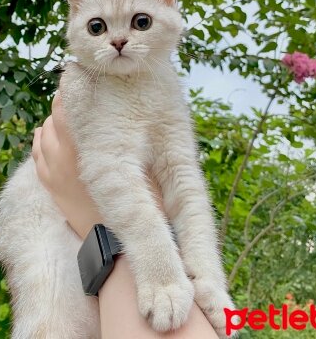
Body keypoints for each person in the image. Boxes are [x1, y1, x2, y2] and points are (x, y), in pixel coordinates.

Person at [32, 92, 220, 339]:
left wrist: (207, 277)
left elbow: (185, 185)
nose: (117, 48)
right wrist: (160, 275)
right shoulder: (83, 84)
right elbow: (108, 165)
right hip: (61, 252)